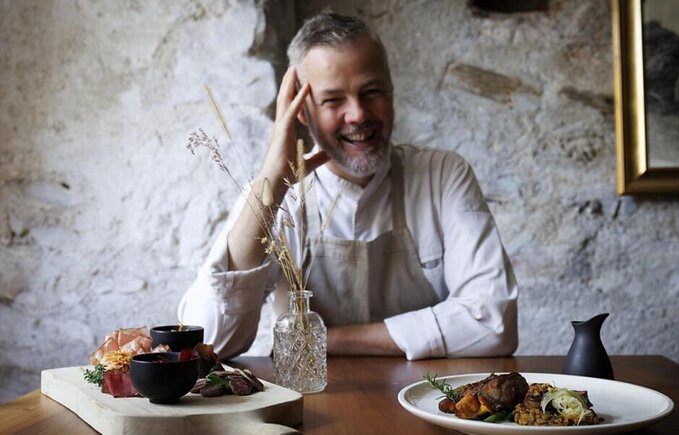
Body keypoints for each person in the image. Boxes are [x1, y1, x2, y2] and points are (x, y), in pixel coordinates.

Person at [178, 11, 518, 361]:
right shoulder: (281, 195)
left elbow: (495, 323)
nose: (358, 114)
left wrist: (326, 340)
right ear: (301, 111)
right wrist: (271, 183)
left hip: (429, 392)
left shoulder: (442, 175)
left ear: (391, 92)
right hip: (307, 396)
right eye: (333, 100)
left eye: (371, 92)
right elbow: (207, 343)